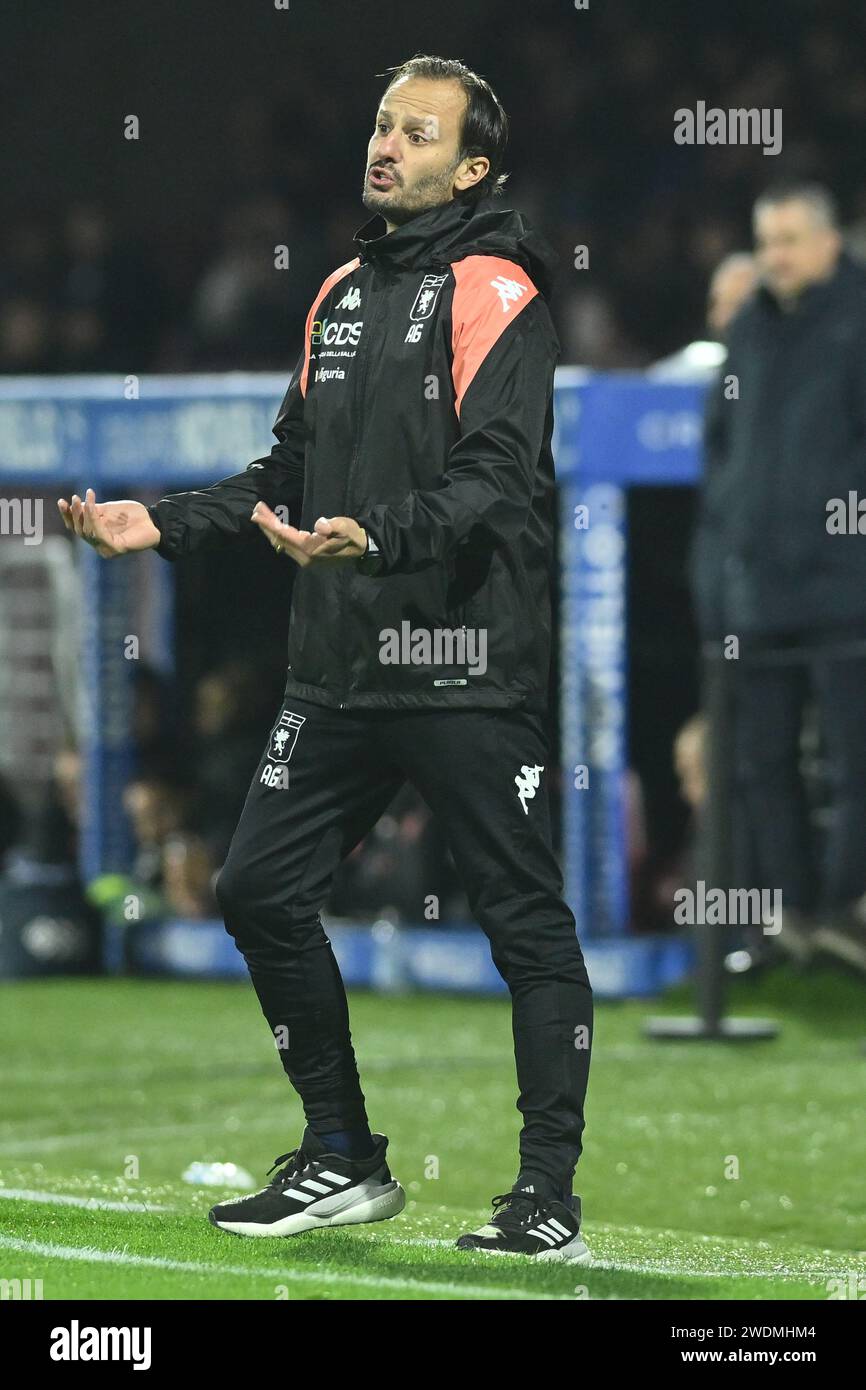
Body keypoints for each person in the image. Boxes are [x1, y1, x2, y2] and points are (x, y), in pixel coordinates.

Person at [58, 54, 593, 1261]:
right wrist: (168, 521)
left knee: (522, 920)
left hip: (462, 659)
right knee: (253, 886)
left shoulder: (497, 289)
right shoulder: (340, 294)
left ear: (470, 168)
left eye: (416, 131)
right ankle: (341, 1153)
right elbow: (286, 471)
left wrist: (380, 535)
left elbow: (497, 479)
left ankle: (544, 1193)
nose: (385, 144)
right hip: (341, 664)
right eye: (380, 123)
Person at [692, 183, 866, 970]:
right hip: (758, 587)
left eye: (791, 240)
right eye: (767, 242)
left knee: (854, 756)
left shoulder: (858, 318)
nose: (776, 257)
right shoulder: (752, 329)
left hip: (845, 582)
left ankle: (847, 913)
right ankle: (790, 918)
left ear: (831, 244)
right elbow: (721, 448)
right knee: (763, 762)